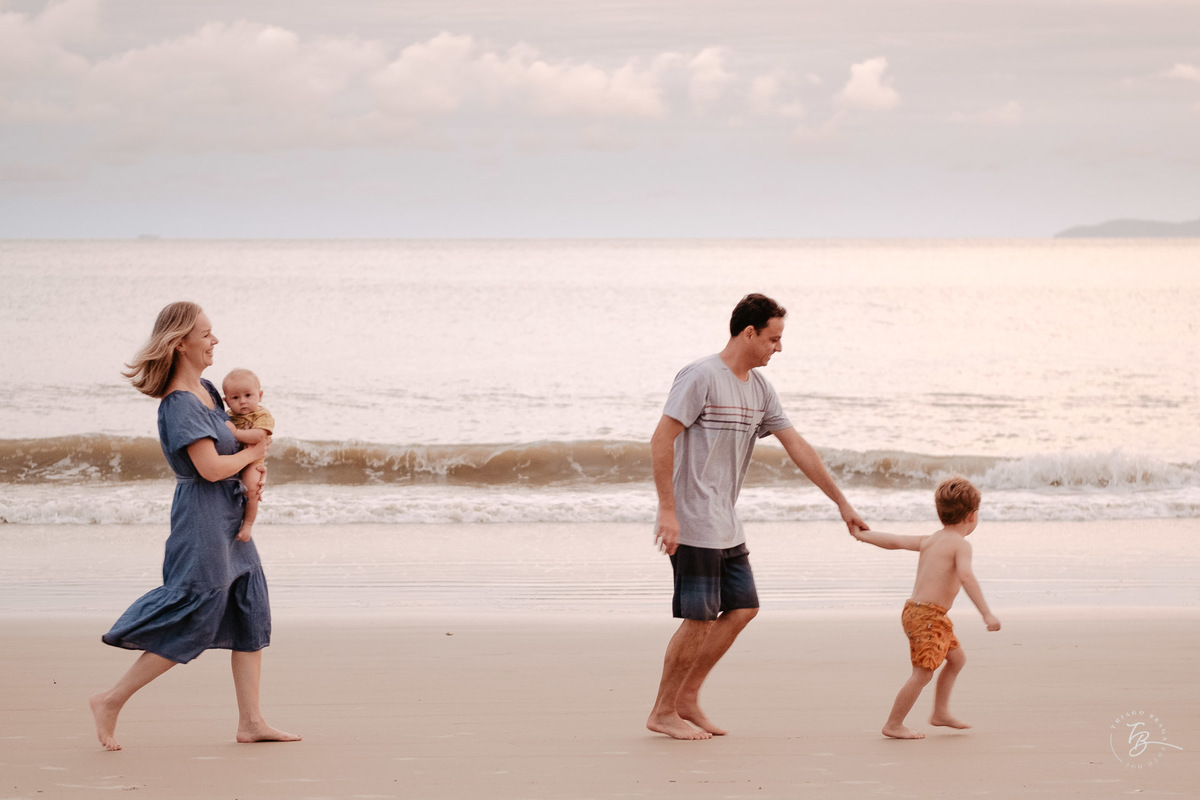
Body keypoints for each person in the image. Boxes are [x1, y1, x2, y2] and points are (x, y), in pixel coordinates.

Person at [646, 293, 868, 740]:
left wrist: (841, 502)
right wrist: (668, 511)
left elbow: (797, 446)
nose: (778, 349)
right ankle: (662, 711)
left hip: (725, 519)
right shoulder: (701, 376)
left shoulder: (760, 388)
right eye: (773, 338)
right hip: (692, 519)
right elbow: (660, 440)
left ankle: (687, 698)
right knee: (699, 617)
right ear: (749, 333)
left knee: (743, 607)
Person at [90, 301, 300, 750]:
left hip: (228, 514)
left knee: (248, 609)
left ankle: (251, 722)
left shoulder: (208, 389)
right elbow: (208, 467)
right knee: (194, 615)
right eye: (206, 334)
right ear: (181, 343)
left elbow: (235, 437)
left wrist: (250, 467)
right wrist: (253, 456)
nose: (215, 340)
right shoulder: (178, 405)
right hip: (202, 518)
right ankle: (110, 699)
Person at [850, 476, 1001, 739]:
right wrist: (986, 613)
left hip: (921, 613)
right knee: (922, 672)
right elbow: (966, 577)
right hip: (928, 616)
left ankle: (940, 713)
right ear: (973, 516)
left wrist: (864, 536)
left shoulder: (931, 539)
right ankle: (894, 724)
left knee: (956, 659)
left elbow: (894, 541)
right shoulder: (961, 545)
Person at [222, 368, 274, 543]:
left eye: (248, 395)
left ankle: (248, 524)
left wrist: (235, 433)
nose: (242, 401)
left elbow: (258, 436)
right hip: (233, 459)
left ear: (259, 395)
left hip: (253, 461)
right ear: (226, 401)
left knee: (251, 488)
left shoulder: (262, 414)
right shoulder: (228, 416)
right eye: (235, 398)